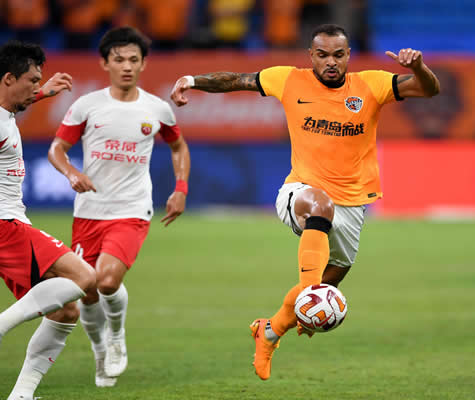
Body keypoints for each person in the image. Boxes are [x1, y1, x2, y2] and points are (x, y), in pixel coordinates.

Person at [170, 23, 440, 380]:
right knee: (319, 214)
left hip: (352, 203)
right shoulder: (288, 80)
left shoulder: (371, 85)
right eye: (323, 55)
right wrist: (191, 80)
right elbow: (235, 80)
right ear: (310, 55)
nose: (331, 62)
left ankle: (269, 331)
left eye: (338, 55)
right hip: (301, 191)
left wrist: (418, 66)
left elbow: (429, 89)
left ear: (349, 55)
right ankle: (307, 298)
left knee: (332, 279)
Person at [0, 40, 97, 400]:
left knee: (66, 309)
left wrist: (44, 92)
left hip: (3, 224)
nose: (36, 87)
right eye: (32, 80)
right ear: (8, 78)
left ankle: (21, 395)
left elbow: (19, 101)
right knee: (84, 276)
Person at [46, 26, 190, 387]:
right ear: (104, 63)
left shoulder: (157, 108)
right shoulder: (87, 105)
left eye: (133, 60)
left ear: (143, 64)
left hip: (131, 209)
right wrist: (71, 173)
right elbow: (57, 149)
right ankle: (100, 353)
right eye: (119, 59)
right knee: (87, 290)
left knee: (107, 280)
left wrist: (181, 188)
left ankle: (117, 336)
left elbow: (178, 146)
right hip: (89, 211)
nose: (127, 66)